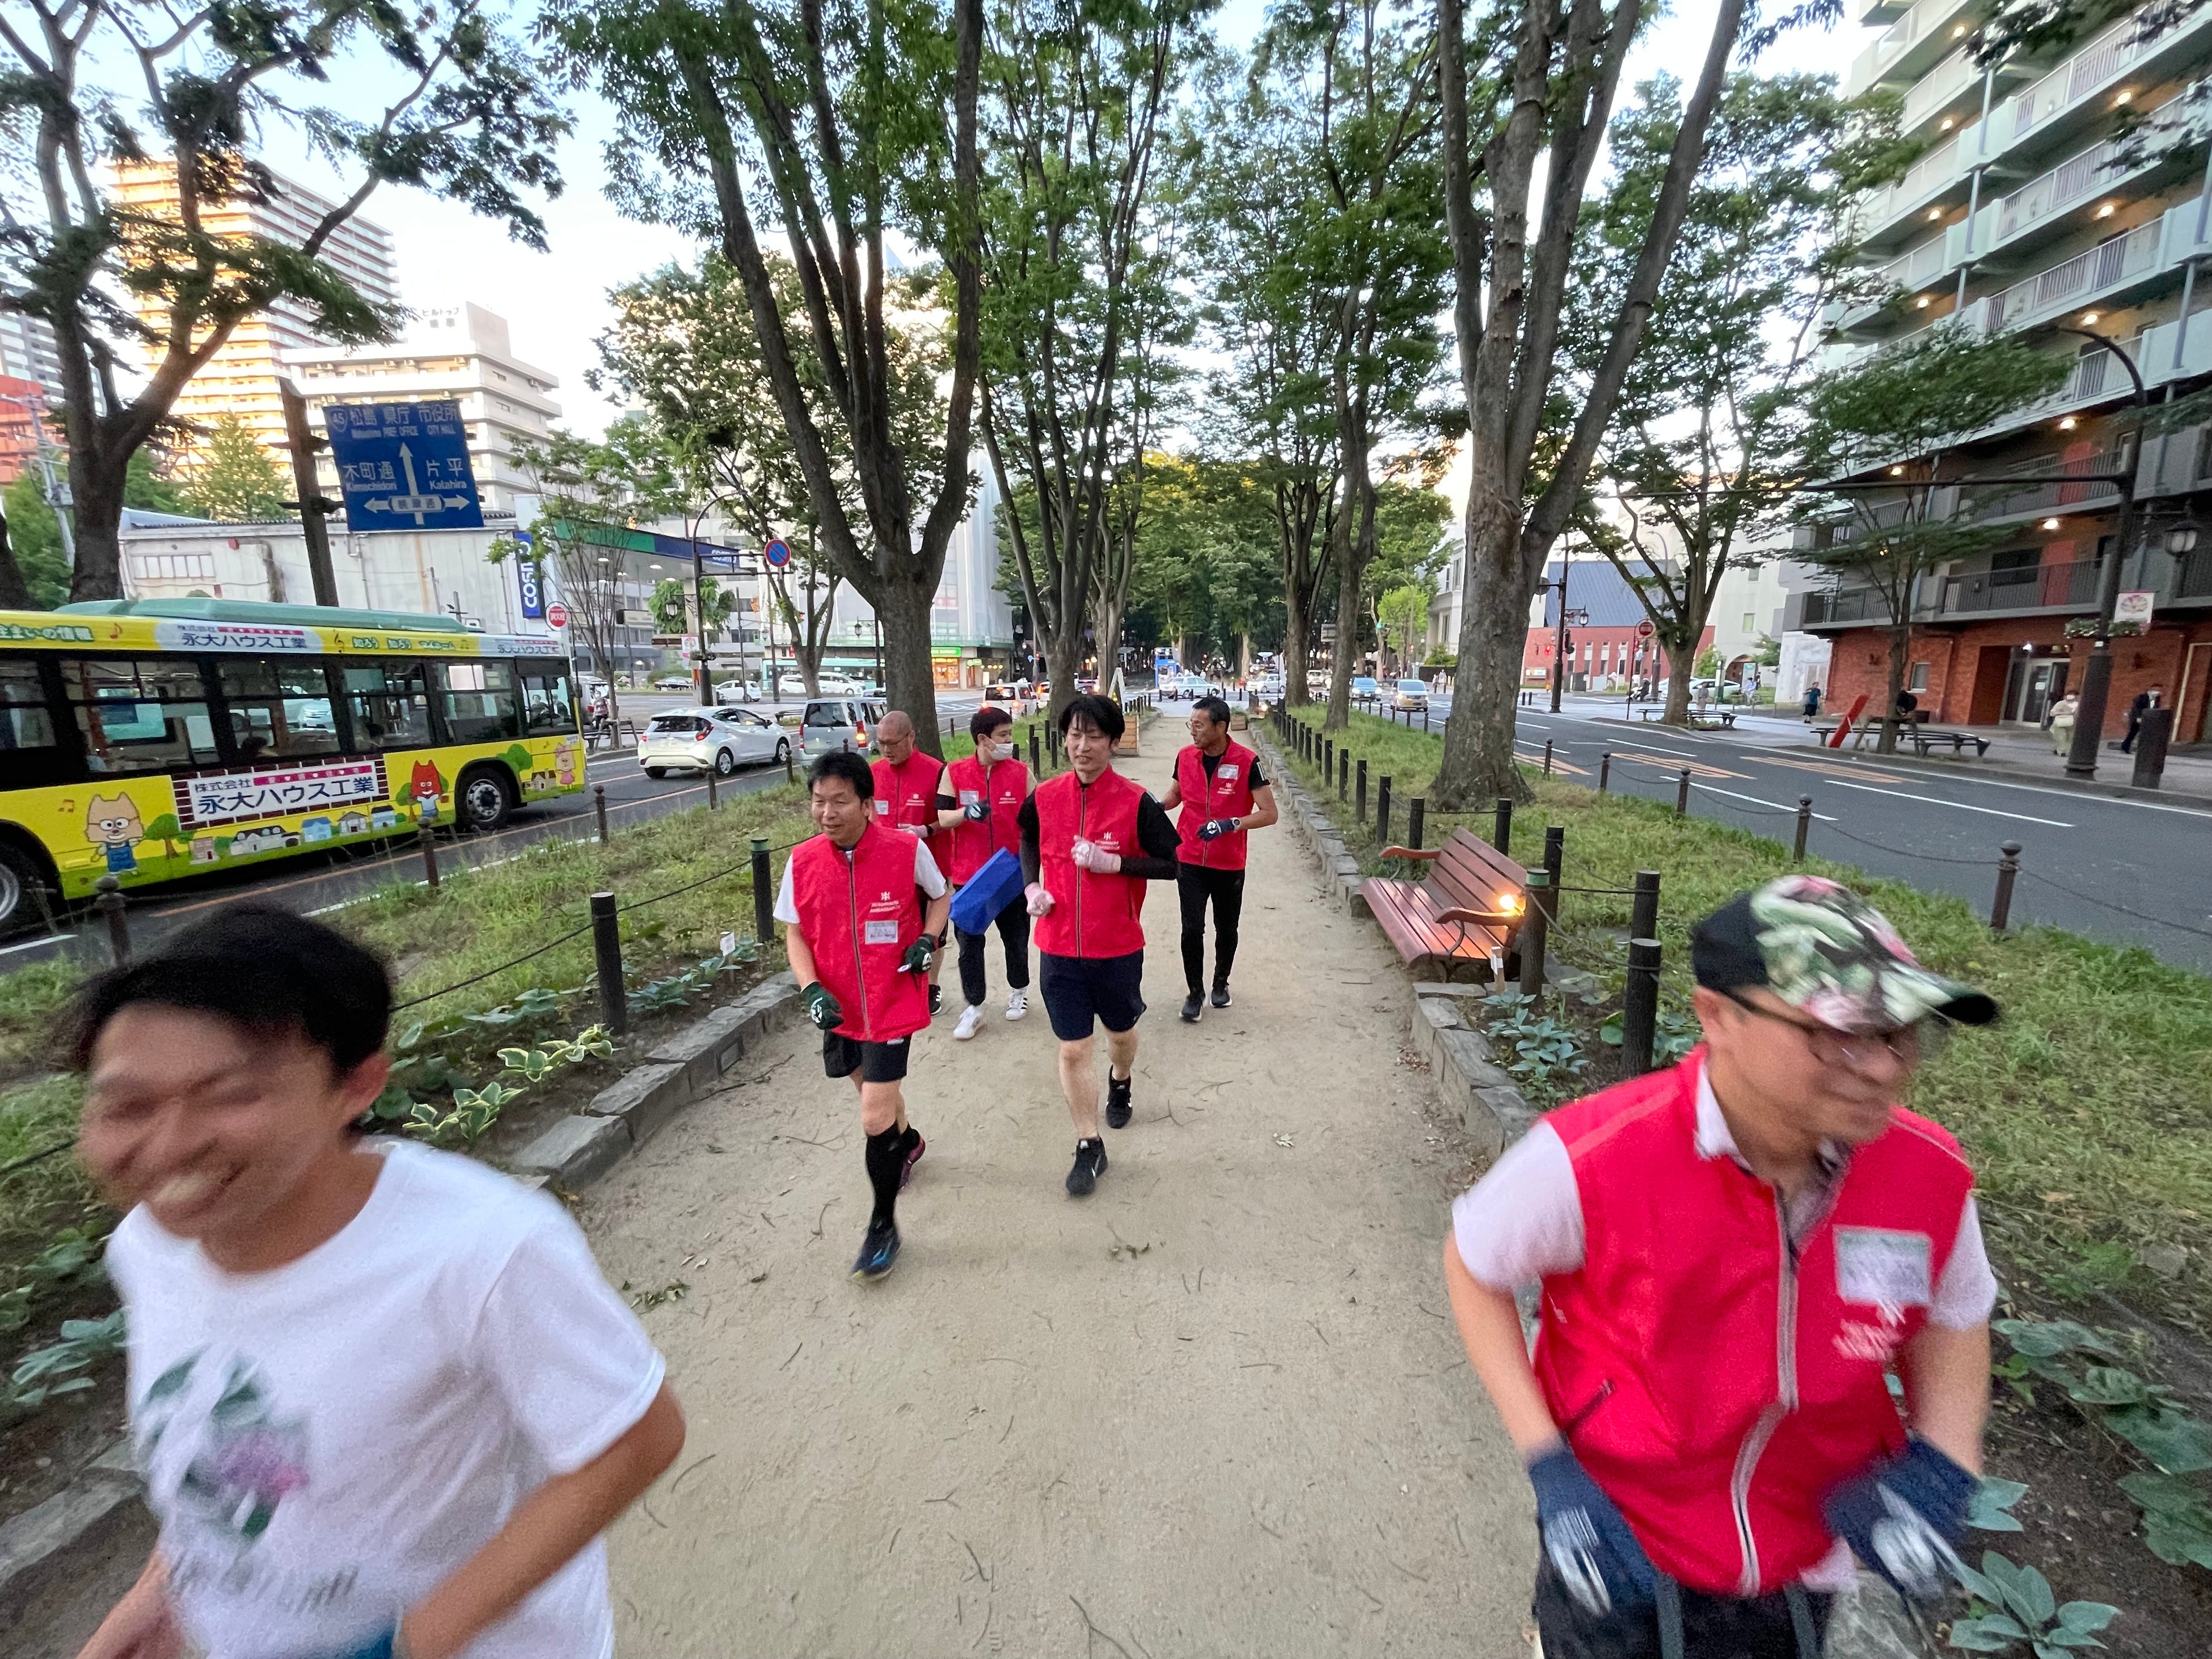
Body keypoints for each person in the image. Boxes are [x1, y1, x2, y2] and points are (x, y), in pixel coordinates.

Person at [73, 906, 686, 1659]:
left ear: (357, 1083)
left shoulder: (480, 1249)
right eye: (126, 1104)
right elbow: (210, 1434)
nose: (167, 1147)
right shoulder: (150, 1245)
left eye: (231, 1095)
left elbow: (634, 1435)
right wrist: (164, 1590)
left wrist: (425, 1636)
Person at [1444, 875, 2000, 1659]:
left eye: (1901, 1032)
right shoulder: (1597, 1158)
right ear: (1718, 1015)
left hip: (1807, 1563)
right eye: (1838, 1031)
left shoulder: (1927, 1175)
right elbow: (1474, 1268)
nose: (1880, 1067)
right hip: (1620, 1544)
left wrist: (1946, 1461)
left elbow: (1956, 1311)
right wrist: (1549, 1465)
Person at [778, 750, 952, 1279]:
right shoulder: (802, 861)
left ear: (867, 804)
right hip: (837, 1007)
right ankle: (910, 1141)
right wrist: (809, 989)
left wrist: (927, 938)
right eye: (818, 801)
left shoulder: (905, 848)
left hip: (891, 1000)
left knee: (874, 1115)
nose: (827, 812)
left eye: (839, 801)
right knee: (875, 1101)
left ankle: (883, 1224)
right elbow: (795, 933)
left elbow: (941, 896)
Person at [1020, 693, 1181, 1196]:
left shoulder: (1136, 801)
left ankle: (1122, 1077)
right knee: (1072, 1049)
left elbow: (1173, 863)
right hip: (1058, 946)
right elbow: (1026, 837)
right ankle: (1088, 1145)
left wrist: (1117, 864)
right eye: (1074, 735)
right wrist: (1032, 887)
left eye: (1094, 736)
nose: (1082, 746)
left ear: (1114, 742)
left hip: (1115, 947)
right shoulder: (1045, 796)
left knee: (1121, 1036)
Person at [1159, 694, 1278, 1021]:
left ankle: (1221, 983)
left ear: (1221, 727)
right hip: (1191, 857)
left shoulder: (1247, 761)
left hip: (1229, 862)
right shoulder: (1185, 757)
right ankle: (1194, 993)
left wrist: (1232, 824)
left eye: (1199, 726)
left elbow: (1270, 813)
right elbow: (1176, 794)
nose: (1193, 731)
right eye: (1191, 724)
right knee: (1191, 928)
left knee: (1226, 928)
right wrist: (1157, 808)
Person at [934, 704, 1033, 1040]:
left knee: (1016, 940)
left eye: (1010, 734)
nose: (1009, 741)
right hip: (970, 876)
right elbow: (943, 819)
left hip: (1010, 873)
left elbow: (1039, 817)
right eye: (1003, 736)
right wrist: (966, 812)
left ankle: (1019, 990)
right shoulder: (955, 772)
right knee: (969, 945)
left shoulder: (1022, 773)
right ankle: (974, 1007)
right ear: (983, 739)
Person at [872, 711, 948, 1012]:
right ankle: (894, 984)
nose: (888, 750)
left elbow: (950, 819)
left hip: (929, 864)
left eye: (893, 742)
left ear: (912, 737)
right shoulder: (874, 774)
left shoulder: (937, 771)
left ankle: (931, 986)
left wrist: (925, 830)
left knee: (933, 930)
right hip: (885, 868)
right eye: (881, 744)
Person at [2121, 684, 2163, 753]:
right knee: (2133, 733)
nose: (2158, 692)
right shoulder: (2142, 697)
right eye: (2157, 690)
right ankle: (2126, 746)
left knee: (2146, 734)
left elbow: (2155, 708)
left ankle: (2143, 749)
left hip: (2148, 719)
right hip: (2138, 718)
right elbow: (2137, 708)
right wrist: (2138, 717)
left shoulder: (2157, 699)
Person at [2046, 691, 2079, 755]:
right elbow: (2052, 713)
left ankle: (2066, 751)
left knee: (2070, 738)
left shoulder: (2078, 705)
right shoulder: (2061, 704)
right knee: (2062, 737)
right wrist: (2065, 713)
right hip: (2061, 723)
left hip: (2073, 724)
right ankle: (2062, 752)